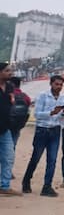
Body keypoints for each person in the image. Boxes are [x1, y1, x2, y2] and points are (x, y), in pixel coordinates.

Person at [22, 75, 64, 197]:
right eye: (57, 84)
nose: (59, 87)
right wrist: (51, 112)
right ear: (51, 84)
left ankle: (47, 186)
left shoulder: (63, 98)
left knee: (52, 160)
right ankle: (26, 180)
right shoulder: (43, 95)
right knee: (36, 158)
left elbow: (61, 118)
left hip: (55, 130)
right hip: (42, 130)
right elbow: (36, 114)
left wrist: (63, 114)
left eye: (61, 84)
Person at [0, 62, 22, 196]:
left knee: (8, 156)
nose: (11, 73)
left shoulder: (9, 87)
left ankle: (4, 185)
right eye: (7, 71)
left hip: (5, 129)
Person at [8, 76, 31, 150]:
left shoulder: (7, 95)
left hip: (5, 126)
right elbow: (27, 107)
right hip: (18, 125)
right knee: (12, 147)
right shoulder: (25, 96)